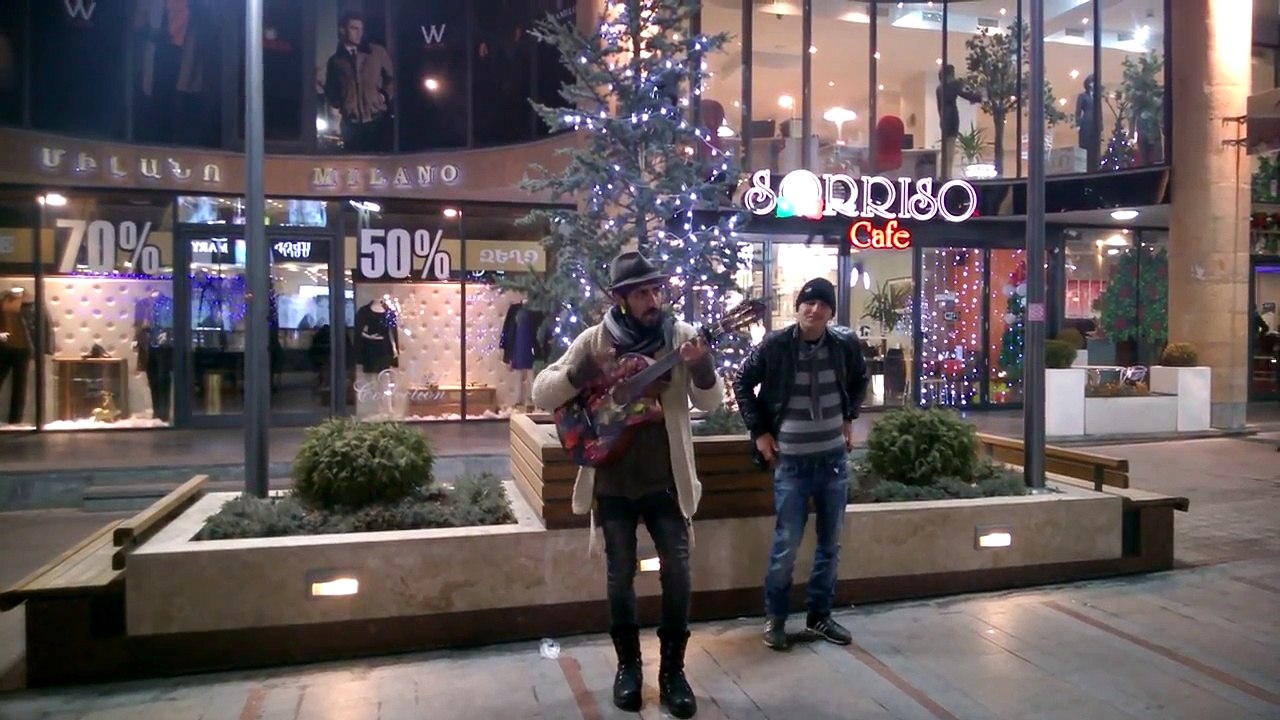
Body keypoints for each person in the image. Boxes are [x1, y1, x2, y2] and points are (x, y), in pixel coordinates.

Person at [530, 251, 724, 718]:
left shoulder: (680, 337)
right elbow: (541, 391)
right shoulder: (594, 340)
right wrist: (583, 374)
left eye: (656, 290)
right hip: (613, 481)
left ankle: (674, 671)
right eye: (642, 293)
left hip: (665, 482)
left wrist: (700, 367)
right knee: (620, 578)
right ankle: (628, 669)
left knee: (678, 574)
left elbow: (711, 402)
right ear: (620, 299)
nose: (653, 299)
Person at [732, 277, 868, 651]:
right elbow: (742, 382)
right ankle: (775, 619)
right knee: (786, 545)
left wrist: (849, 416)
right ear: (798, 306)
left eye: (822, 304)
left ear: (830, 312)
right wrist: (760, 432)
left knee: (830, 545)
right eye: (808, 302)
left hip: (833, 462)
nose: (815, 309)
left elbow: (860, 379)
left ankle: (819, 616)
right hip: (791, 464)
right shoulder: (776, 346)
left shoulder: (843, 345)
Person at [324, 11, 394, 152]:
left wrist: (383, 96)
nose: (359, 33)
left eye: (361, 29)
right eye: (354, 29)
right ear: (342, 30)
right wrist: (340, 102)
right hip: (351, 125)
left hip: (377, 121)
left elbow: (392, 79)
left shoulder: (377, 52)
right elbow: (331, 89)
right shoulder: (335, 61)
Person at [936, 64, 982, 179]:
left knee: (946, 149)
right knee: (950, 149)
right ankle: (947, 176)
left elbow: (939, 107)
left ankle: (944, 174)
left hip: (943, 118)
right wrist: (980, 97)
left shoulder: (939, 88)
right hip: (952, 117)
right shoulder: (954, 85)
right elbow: (966, 95)